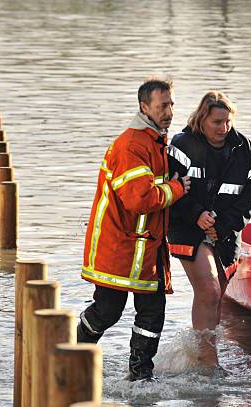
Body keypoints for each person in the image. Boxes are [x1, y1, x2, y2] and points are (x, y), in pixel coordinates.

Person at [77, 78, 191, 382]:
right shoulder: (132, 145)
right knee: (107, 311)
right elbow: (139, 199)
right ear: (145, 107)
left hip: (146, 249)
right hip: (119, 247)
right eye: (162, 105)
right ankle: (72, 357)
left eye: (171, 104)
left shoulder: (155, 141)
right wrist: (177, 188)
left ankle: (140, 376)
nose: (169, 111)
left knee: (153, 313)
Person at [167, 91, 251, 368]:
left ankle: (204, 357)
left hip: (225, 230)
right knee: (209, 291)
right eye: (216, 122)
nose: (223, 128)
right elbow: (171, 189)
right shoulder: (182, 144)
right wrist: (197, 215)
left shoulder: (242, 148)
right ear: (202, 119)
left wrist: (223, 226)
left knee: (217, 299)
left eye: (227, 121)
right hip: (188, 227)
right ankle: (207, 361)